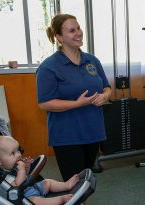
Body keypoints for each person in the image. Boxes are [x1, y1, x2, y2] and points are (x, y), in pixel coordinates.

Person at [36, 13, 111, 181]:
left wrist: (105, 96)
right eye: (71, 30)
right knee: (74, 184)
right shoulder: (49, 67)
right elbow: (44, 103)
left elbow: (106, 87)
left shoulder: (92, 60)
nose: (78, 33)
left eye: (78, 28)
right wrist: (77, 104)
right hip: (67, 136)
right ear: (59, 37)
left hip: (93, 132)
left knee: (85, 181)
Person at [0, 135, 79, 205]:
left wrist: (27, 167)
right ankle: (61, 200)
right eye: (12, 153)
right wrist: (21, 170)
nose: (18, 154)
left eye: (17, 150)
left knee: (47, 182)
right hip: (26, 197)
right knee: (36, 202)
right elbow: (18, 185)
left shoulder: (14, 165)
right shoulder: (3, 176)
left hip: (32, 187)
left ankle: (66, 185)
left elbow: (26, 175)